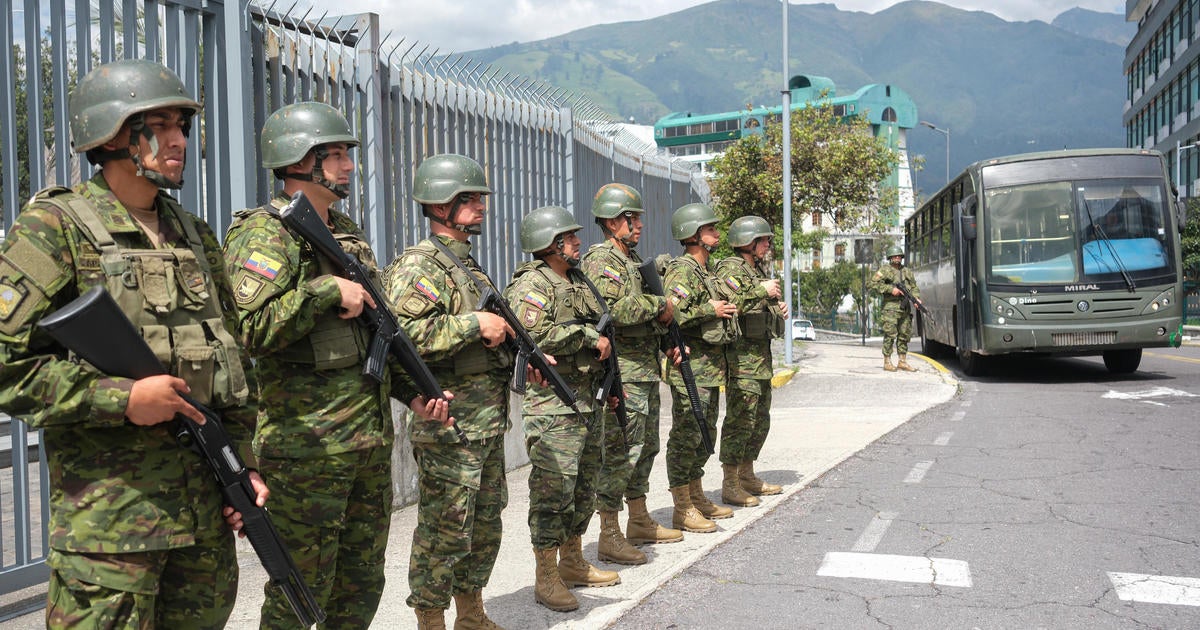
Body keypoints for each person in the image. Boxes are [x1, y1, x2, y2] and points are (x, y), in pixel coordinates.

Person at [0, 59, 264, 627]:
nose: (179, 140)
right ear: (113, 134)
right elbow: (8, 366)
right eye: (161, 124)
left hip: (202, 524)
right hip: (110, 533)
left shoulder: (194, 234)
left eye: (183, 126)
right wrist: (121, 398)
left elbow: (233, 362)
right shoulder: (55, 229)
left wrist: (242, 465)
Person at [222, 102, 450, 629]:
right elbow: (250, 328)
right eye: (337, 154)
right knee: (301, 593)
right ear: (298, 159)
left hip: (365, 445)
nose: (350, 165)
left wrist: (411, 393)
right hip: (308, 450)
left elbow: (373, 336)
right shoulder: (267, 234)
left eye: (348, 153)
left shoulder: (344, 233)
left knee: (361, 581)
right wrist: (324, 291)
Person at [382, 153, 519, 630]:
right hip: (448, 423)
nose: (480, 205)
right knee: (446, 528)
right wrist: (472, 324)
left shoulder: (469, 267)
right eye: (469, 198)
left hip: (485, 421)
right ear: (440, 205)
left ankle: (471, 612)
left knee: (484, 523)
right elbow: (402, 336)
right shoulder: (422, 265)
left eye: (479, 197)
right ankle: (431, 619)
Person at [505, 205, 620, 612]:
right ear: (551, 244)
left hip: (587, 400)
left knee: (584, 487)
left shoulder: (578, 280)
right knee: (553, 493)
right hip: (553, 406)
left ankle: (572, 561)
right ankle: (546, 575)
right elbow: (534, 335)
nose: (578, 242)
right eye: (570, 238)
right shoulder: (532, 285)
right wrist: (587, 337)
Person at [580, 183, 683, 565]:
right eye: (630, 217)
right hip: (621, 372)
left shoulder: (630, 258)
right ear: (610, 221)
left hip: (642, 370)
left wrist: (665, 339)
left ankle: (638, 518)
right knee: (622, 452)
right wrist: (660, 304)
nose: (638, 223)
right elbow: (617, 309)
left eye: (638, 217)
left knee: (646, 447)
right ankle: (609, 532)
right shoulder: (602, 260)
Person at [662, 203, 741, 533]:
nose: (717, 234)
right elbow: (671, 311)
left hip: (710, 367)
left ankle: (695, 495)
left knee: (705, 432)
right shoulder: (682, 270)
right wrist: (709, 308)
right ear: (693, 235)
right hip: (691, 366)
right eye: (710, 229)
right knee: (686, 435)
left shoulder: (705, 271)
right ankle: (681, 506)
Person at [715, 216, 788, 507]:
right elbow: (732, 302)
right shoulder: (731, 268)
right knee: (740, 420)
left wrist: (776, 307)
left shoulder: (756, 269)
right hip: (742, 360)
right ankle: (730, 482)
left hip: (760, 359)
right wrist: (763, 291)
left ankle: (747, 475)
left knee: (759, 420)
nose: (768, 244)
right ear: (748, 242)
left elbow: (757, 305)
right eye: (764, 240)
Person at [870, 245, 922, 372]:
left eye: (899, 255)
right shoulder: (885, 270)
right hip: (890, 308)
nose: (897, 258)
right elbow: (872, 283)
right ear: (890, 257)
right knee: (890, 334)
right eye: (895, 256)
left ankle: (902, 361)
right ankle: (887, 361)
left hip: (904, 308)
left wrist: (916, 298)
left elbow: (914, 287)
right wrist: (890, 289)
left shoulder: (907, 271)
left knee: (904, 334)